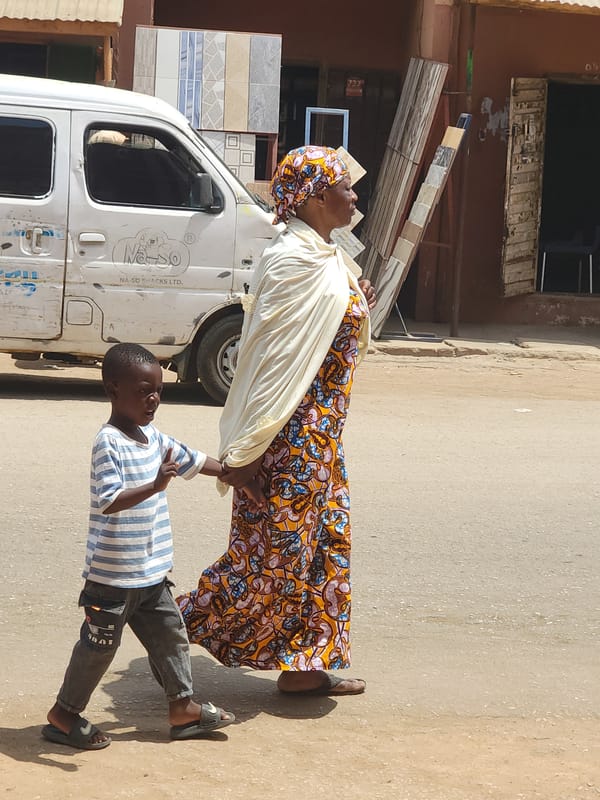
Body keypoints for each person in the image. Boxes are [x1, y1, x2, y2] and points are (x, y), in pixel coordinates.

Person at [177, 145, 376, 695]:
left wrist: (355, 302)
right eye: (343, 186)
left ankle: (305, 667)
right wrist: (252, 451)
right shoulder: (292, 260)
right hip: (289, 440)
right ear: (314, 198)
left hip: (323, 441)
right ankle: (164, 618)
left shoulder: (324, 253)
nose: (353, 195)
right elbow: (271, 364)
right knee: (272, 559)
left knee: (324, 549)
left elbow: (329, 329)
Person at [43, 343, 234, 751]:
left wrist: (238, 475)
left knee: (171, 638)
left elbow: (194, 460)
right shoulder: (107, 443)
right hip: (111, 580)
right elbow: (110, 500)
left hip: (151, 574)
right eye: (144, 391)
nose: (153, 400)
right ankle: (63, 716)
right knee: (97, 650)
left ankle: (182, 709)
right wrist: (154, 486)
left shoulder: (153, 436)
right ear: (114, 389)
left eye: (158, 391)